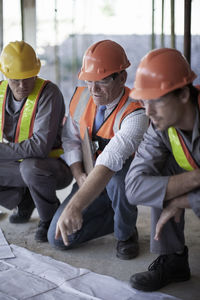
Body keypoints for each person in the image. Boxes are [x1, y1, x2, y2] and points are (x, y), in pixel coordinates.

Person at [48, 40, 149, 259]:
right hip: (89, 177)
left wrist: (75, 205)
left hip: (118, 178)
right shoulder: (82, 98)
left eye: (102, 81)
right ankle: (115, 215)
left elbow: (111, 160)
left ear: (122, 78)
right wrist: (79, 174)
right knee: (58, 238)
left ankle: (126, 232)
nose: (93, 89)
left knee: (118, 180)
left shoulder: (136, 113)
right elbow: (70, 140)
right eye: (89, 80)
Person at [125, 47, 200, 291]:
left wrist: (181, 200)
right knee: (157, 173)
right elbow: (134, 187)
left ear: (183, 95)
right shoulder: (159, 127)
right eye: (144, 101)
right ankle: (173, 259)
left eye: (156, 101)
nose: (148, 112)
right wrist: (195, 180)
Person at [0, 41, 73, 242]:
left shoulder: (49, 94)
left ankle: (48, 215)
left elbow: (40, 147)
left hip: (52, 167)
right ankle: (24, 199)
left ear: (37, 70)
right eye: (16, 80)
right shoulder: (0, 93)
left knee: (31, 168)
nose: (22, 86)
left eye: (28, 78)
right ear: (5, 74)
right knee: (26, 167)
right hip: (19, 164)